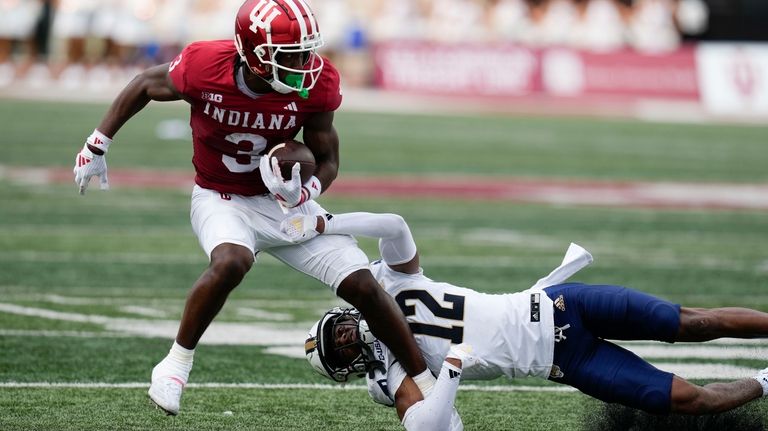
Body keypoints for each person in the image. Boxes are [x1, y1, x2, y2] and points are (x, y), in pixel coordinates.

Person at [71, 0, 429, 416]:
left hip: (282, 204)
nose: (304, 63)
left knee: (364, 285)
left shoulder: (315, 83)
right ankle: (175, 365)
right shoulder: (205, 66)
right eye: (291, 54)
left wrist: (306, 189)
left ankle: (424, 380)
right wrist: (98, 142)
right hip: (221, 197)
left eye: (306, 51)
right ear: (256, 54)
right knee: (231, 262)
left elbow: (327, 157)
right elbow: (145, 84)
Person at [283, 212, 768, 430]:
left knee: (692, 323)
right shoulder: (394, 373)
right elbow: (432, 426)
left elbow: (394, 224)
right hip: (565, 360)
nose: (349, 339)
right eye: (342, 350)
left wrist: (328, 223)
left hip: (561, 305)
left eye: (339, 332)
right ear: (352, 367)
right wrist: (447, 371)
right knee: (688, 400)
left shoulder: (387, 283)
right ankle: (766, 381)